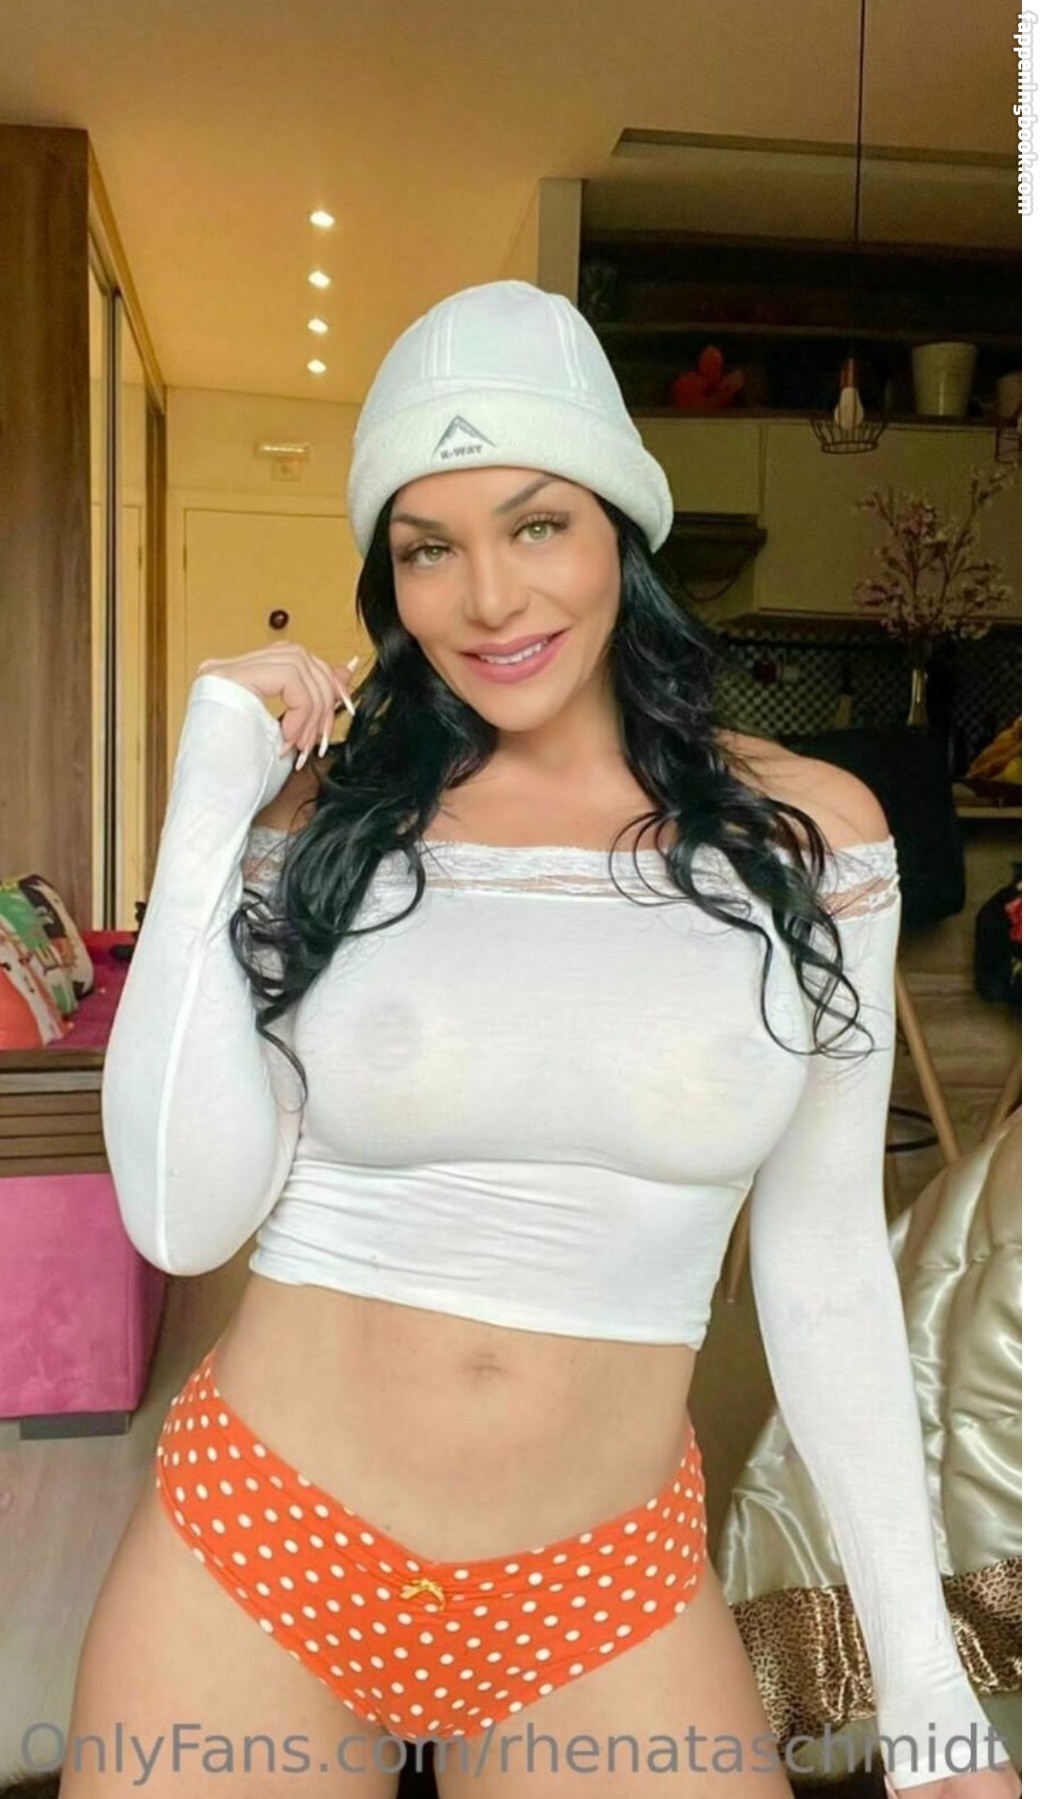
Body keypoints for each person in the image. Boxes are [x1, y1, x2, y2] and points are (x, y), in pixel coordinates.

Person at [61, 281, 1020, 1799]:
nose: (490, 599)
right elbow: (182, 1224)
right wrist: (204, 816)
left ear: (620, 533)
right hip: (265, 1548)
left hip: (602, 1593)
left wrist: (922, 1689)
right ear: (389, 577)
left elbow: (824, 1258)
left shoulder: (805, 840)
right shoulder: (327, 833)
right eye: (428, 548)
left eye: (537, 525)